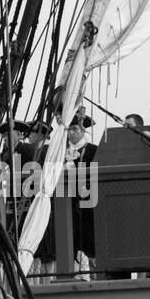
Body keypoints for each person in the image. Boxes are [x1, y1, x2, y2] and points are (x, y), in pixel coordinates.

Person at [65, 113, 98, 280]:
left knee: (88, 235)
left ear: (83, 130)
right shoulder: (61, 151)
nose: (71, 132)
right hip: (67, 200)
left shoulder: (93, 150)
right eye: (69, 129)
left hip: (87, 199)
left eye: (75, 129)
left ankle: (90, 273)